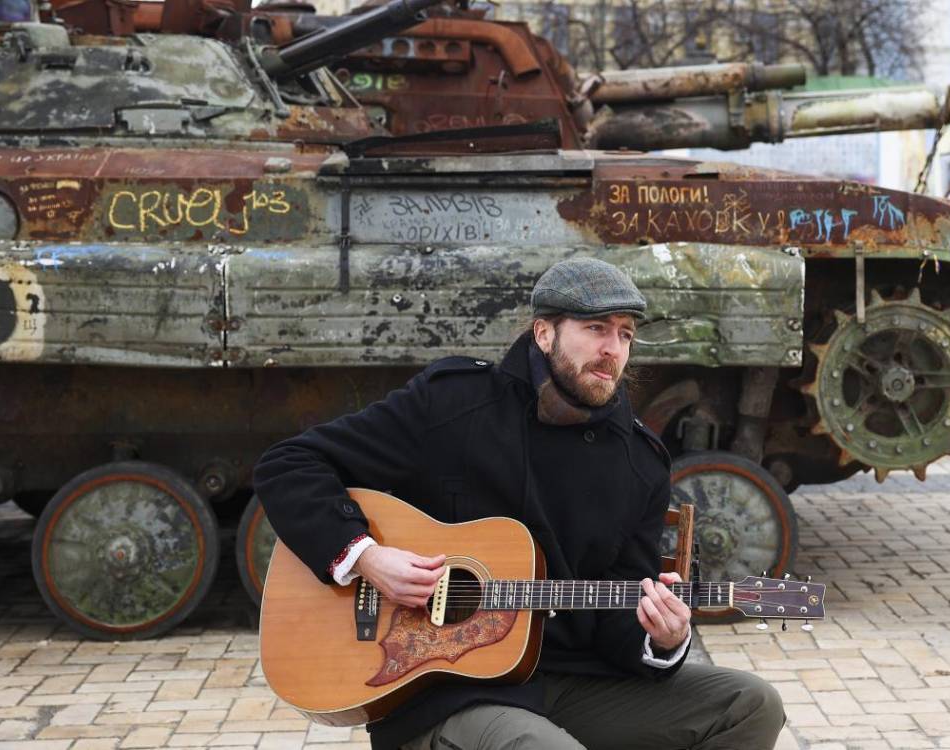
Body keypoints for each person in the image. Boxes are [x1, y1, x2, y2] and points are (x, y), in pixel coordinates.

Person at [253, 258, 785, 750]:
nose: (613, 349)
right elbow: (289, 465)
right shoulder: (454, 404)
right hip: (446, 691)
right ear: (544, 332)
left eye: (625, 334)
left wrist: (661, 638)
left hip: (572, 681)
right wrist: (367, 557)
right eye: (596, 328)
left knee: (752, 705)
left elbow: (618, 619)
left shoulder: (639, 462)